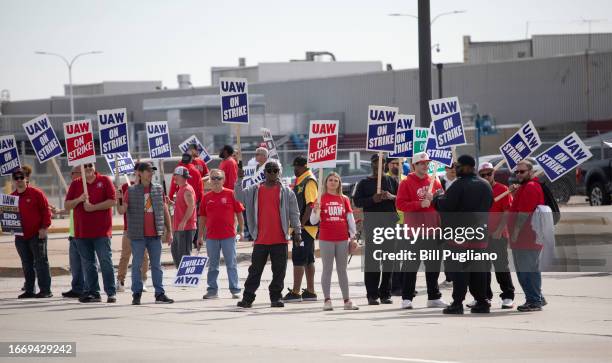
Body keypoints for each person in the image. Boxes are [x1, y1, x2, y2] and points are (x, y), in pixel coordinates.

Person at [234, 160, 302, 308]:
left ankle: (276, 298)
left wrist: (297, 231)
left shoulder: (286, 192)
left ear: (280, 172)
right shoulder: (254, 190)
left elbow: (294, 213)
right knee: (255, 271)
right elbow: (238, 197)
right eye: (269, 170)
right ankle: (248, 298)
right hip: (260, 239)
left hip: (280, 239)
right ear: (264, 172)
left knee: (279, 271)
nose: (272, 173)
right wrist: (239, 179)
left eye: (275, 170)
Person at [432, 155, 493, 314]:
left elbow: (446, 206)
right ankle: (482, 301)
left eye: (458, 166)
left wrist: (437, 197)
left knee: (458, 270)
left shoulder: (459, 185)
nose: (456, 168)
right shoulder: (486, 184)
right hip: (479, 234)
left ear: (468, 167)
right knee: (476, 270)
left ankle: (457, 302)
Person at [117, 162, 174, 305]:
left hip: (155, 234)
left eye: (152, 170)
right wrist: (117, 199)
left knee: (156, 265)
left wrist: (169, 231)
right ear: (140, 173)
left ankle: (159, 294)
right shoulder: (130, 191)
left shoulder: (158, 189)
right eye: (148, 170)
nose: (151, 173)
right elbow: (121, 211)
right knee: (137, 265)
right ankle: (136, 294)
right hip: (138, 235)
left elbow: (165, 210)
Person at [395, 152, 446, 309]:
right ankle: (407, 297)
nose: (425, 166)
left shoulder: (435, 180)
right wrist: (419, 204)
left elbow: (443, 202)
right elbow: (400, 205)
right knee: (411, 265)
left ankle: (433, 297)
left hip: (433, 230)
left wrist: (437, 198)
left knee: (433, 266)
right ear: (414, 165)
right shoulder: (406, 182)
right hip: (414, 232)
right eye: (421, 163)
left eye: (427, 163)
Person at [65, 162, 117, 303]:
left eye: (90, 165)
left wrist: (93, 207)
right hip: (82, 232)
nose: (88, 168)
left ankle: (111, 292)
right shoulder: (76, 184)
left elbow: (113, 201)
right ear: (80, 169)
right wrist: (78, 199)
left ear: (95, 166)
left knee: (105, 261)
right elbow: (67, 205)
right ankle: (94, 293)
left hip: (101, 231)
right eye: (85, 166)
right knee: (88, 264)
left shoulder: (104, 180)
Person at [352, 153, 398, 305]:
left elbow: (401, 199)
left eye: (382, 162)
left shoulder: (391, 180)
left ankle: (385, 293)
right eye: (376, 162)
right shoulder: (364, 183)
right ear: (371, 164)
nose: (379, 165)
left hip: (390, 224)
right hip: (372, 225)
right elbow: (357, 202)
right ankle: (372, 294)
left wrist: (391, 197)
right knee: (373, 261)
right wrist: (373, 199)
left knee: (388, 262)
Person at [310, 172, 359, 311]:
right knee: (327, 269)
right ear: (326, 183)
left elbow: (350, 219)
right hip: (326, 238)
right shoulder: (320, 198)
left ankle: (347, 300)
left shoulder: (344, 199)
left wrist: (353, 237)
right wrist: (316, 209)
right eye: (330, 180)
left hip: (342, 239)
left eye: (336, 180)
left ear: (339, 183)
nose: (333, 182)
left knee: (342, 270)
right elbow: (313, 221)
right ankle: (327, 300)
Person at [472, 162, 515, 309]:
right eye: (482, 175)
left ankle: (508, 295)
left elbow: (508, 212)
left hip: (498, 235)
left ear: (493, 173)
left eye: (488, 173)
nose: (486, 176)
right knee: (483, 267)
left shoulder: (502, 189)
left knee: (501, 266)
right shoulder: (477, 191)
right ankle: (484, 296)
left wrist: (499, 230)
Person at [197, 169, 244, 299]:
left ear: (223, 180)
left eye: (218, 178)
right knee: (213, 265)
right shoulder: (206, 198)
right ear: (209, 181)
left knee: (231, 264)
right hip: (211, 237)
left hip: (228, 236)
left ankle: (235, 289)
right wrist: (200, 236)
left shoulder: (231, 194)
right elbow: (202, 218)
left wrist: (241, 230)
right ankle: (212, 290)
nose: (216, 181)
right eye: (213, 178)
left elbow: (239, 213)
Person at [506, 159, 546, 312]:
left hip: (526, 237)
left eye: (522, 171)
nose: (519, 174)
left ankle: (534, 300)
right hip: (525, 238)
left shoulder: (530, 187)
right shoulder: (525, 187)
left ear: (531, 171)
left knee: (527, 271)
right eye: (516, 171)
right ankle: (537, 297)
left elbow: (523, 214)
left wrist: (515, 233)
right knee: (528, 270)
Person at [11, 166, 52, 299]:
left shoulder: (36, 193)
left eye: (21, 177)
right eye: (16, 178)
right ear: (13, 180)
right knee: (26, 263)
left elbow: (46, 211)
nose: (18, 180)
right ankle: (29, 290)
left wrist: (44, 228)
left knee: (41, 262)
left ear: (26, 178)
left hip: (37, 234)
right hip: (20, 236)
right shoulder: (11, 198)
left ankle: (45, 290)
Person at [283, 156, 318, 302]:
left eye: (296, 167)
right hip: (305, 229)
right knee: (308, 260)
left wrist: (300, 227)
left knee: (298, 259)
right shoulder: (302, 180)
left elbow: (310, 205)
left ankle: (296, 292)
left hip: (304, 228)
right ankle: (310, 291)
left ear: (304, 166)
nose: (294, 169)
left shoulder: (308, 181)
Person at [116, 169, 149, 293]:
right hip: (129, 228)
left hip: (143, 228)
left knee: (144, 257)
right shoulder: (126, 186)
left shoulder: (147, 188)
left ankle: (142, 281)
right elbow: (121, 209)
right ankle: (120, 281)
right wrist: (118, 199)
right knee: (125, 255)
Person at [62, 166, 86, 298]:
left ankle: (87, 288)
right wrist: (59, 211)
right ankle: (77, 288)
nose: (71, 175)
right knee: (75, 265)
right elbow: (70, 207)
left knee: (86, 264)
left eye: (73, 173)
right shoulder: (74, 188)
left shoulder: (85, 189)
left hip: (83, 234)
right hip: (73, 234)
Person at [386, 157, 407, 296]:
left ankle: (406, 284)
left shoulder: (406, 179)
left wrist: (394, 197)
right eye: (394, 163)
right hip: (392, 222)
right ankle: (394, 286)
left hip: (408, 221)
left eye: (399, 163)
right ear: (388, 164)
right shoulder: (383, 179)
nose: (397, 166)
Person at [170, 166, 197, 268]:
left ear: (181, 176)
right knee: (175, 251)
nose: (174, 177)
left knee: (184, 254)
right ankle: (182, 275)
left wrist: (184, 221)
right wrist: (173, 203)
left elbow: (191, 206)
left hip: (186, 227)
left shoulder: (187, 190)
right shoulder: (181, 189)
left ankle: (186, 277)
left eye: (175, 175)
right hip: (179, 227)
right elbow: (184, 206)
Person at [438, 163, 456, 289]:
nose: (453, 170)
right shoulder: (439, 181)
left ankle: (458, 276)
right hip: (443, 221)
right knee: (446, 250)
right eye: (450, 167)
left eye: (456, 167)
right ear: (446, 168)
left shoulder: (461, 182)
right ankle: (449, 277)